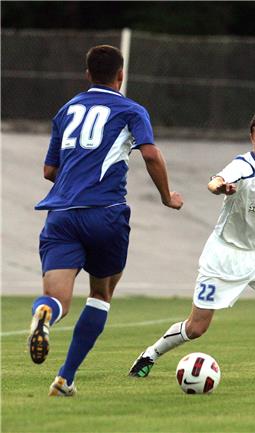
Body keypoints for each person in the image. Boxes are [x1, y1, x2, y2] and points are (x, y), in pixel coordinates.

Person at [129, 109, 255, 381]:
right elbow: (215, 181)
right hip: (224, 256)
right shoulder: (242, 166)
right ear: (251, 137)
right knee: (197, 327)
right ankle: (150, 354)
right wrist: (221, 186)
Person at [28, 45, 183, 397]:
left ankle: (44, 317)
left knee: (57, 299)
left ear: (87, 75)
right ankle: (65, 377)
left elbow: (50, 170)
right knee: (101, 293)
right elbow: (150, 154)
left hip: (61, 215)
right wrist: (166, 196)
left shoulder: (67, 110)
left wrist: (76, 181)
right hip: (105, 214)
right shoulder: (131, 110)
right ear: (121, 75)